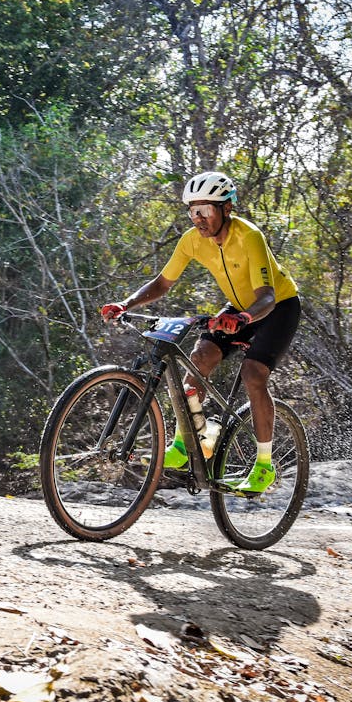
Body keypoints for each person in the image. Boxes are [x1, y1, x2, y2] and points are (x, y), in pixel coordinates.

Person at [99, 171, 300, 494]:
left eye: (205, 210)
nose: (199, 219)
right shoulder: (192, 240)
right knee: (199, 358)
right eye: (193, 211)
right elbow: (163, 283)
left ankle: (264, 465)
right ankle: (186, 442)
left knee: (253, 374)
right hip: (238, 306)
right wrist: (127, 303)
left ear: (225, 209)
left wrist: (245, 318)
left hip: (277, 307)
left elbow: (267, 296)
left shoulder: (249, 236)